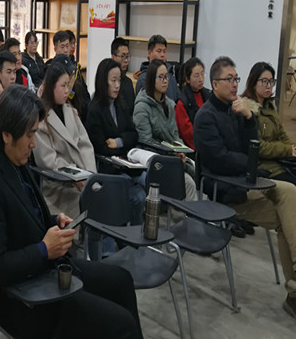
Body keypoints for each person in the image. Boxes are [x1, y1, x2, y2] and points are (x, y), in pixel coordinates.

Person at [0, 84, 146, 339]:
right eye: (29, 135)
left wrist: (52, 222)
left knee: (121, 281)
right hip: (24, 299)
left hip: (46, 272)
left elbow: (23, 217)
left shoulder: (15, 159)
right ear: (6, 134)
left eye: (35, 133)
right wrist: (44, 249)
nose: (33, 143)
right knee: (121, 326)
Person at [194, 56, 296, 327]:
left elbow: (252, 147)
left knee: (289, 197)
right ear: (215, 83)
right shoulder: (205, 117)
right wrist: (250, 164)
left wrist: (248, 119)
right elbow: (219, 159)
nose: (235, 84)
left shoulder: (237, 110)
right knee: (288, 206)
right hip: (226, 191)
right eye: (229, 79)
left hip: (247, 183)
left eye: (236, 78)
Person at [241, 61, 296, 227]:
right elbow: (260, 147)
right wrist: (287, 150)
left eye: (271, 81)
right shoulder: (247, 111)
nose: (269, 86)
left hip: (281, 161)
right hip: (264, 166)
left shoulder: (270, 107)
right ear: (253, 82)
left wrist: (294, 148)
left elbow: (282, 135)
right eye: (264, 81)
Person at [33, 62, 96, 218]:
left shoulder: (71, 111)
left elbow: (85, 146)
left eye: (68, 85)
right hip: (58, 184)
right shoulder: (41, 119)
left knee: (104, 196)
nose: (67, 90)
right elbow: (48, 161)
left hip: (81, 177)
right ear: (51, 87)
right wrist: (76, 177)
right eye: (63, 86)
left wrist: (89, 176)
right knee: (82, 202)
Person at [86, 58, 145, 225]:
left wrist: (119, 142)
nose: (117, 85)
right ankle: (129, 234)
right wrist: (124, 145)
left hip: (128, 164)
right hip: (109, 169)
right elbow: (101, 147)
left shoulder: (121, 104)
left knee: (150, 180)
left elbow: (134, 135)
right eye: (113, 80)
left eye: (119, 80)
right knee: (138, 196)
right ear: (103, 81)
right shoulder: (95, 110)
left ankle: (136, 232)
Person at [133, 59, 197, 201]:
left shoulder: (169, 104)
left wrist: (180, 150)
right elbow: (145, 141)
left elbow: (175, 135)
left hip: (171, 157)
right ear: (151, 79)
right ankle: (180, 214)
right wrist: (171, 153)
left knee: (195, 171)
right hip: (155, 160)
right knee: (187, 183)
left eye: (166, 77)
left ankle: (184, 213)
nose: (165, 81)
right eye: (160, 77)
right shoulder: (142, 106)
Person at [175, 57, 210, 149]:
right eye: (196, 76)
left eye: (202, 74)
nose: (201, 79)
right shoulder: (182, 102)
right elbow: (188, 134)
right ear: (188, 79)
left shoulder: (208, 95)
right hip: (194, 147)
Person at [135, 34, 179, 102]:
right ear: (149, 53)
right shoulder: (144, 79)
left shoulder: (170, 76)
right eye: (159, 51)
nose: (162, 55)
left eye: (164, 51)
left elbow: (178, 98)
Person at [111, 37, 135, 115]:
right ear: (113, 57)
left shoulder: (128, 82)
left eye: (127, 56)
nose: (126, 60)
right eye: (122, 56)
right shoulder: (107, 82)